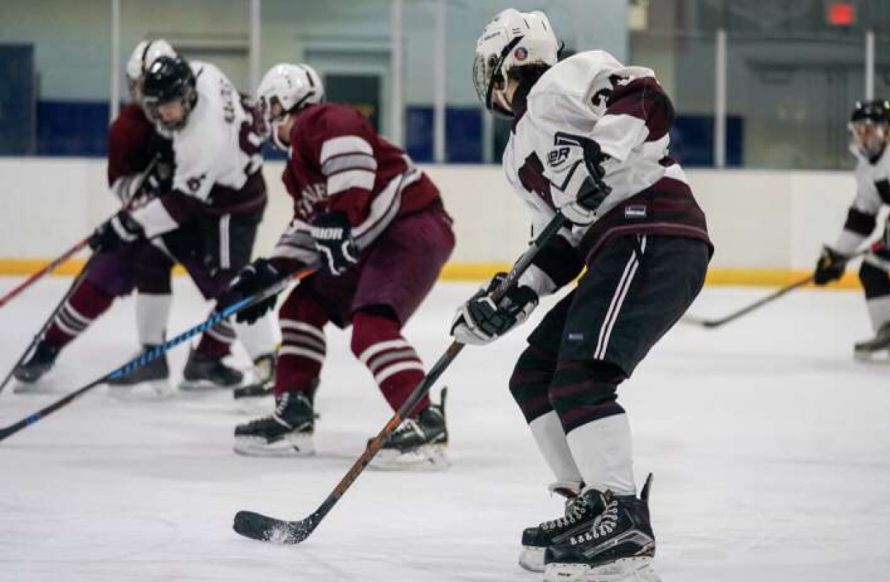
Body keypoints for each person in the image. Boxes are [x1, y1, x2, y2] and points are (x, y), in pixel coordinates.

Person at [454, 9, 712, 581]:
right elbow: (562, 240)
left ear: (512, 59)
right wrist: (513, 296)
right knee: (535, 373)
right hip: (615, 245)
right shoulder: (516, 156)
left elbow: (647, 100)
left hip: (654, 228)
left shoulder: (569, 76)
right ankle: (591, 502)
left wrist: (601, 150)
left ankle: (622, 518)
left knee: (582, 377)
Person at [223, 63, 455, 468]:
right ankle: (294, 415)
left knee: (371, 327)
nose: (266, 119)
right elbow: (311, 227)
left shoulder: (325, 119)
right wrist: (271, 271)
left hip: (411, 225)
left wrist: (340, 217)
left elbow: (350, 170)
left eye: (268, 107)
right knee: (299, 308)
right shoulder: (297, 168)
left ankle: (423, 421)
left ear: (281, 103)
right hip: (369, 240)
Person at [87, 54, 278, 391]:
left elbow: (181, 205)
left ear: (188, 96)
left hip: (231, 205)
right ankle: (154, 357)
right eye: (155, 107)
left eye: (170, 107)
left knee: (232, 285)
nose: (162, 115)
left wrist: (127, 225)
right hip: (217, 190)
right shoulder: (203, 71)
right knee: (152, 257)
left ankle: (267, 363)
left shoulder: (201, 142)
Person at [13, 39, 181, 392]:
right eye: (135, 85)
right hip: (148, 216)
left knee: (229, 279)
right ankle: (49, 346)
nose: (141, 94)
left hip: (196, 217)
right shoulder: (126, 127)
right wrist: (145, 186)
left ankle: (212, 357)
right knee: (102, 272)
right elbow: (120, 184)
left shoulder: (195, 116)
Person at [814, 99, 890, 361]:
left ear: (886, 130)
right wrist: (837, 256)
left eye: (869, 129)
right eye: (859, 129)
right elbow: (862, 217)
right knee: (872, 268)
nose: (863, 136)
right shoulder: (866, 168)